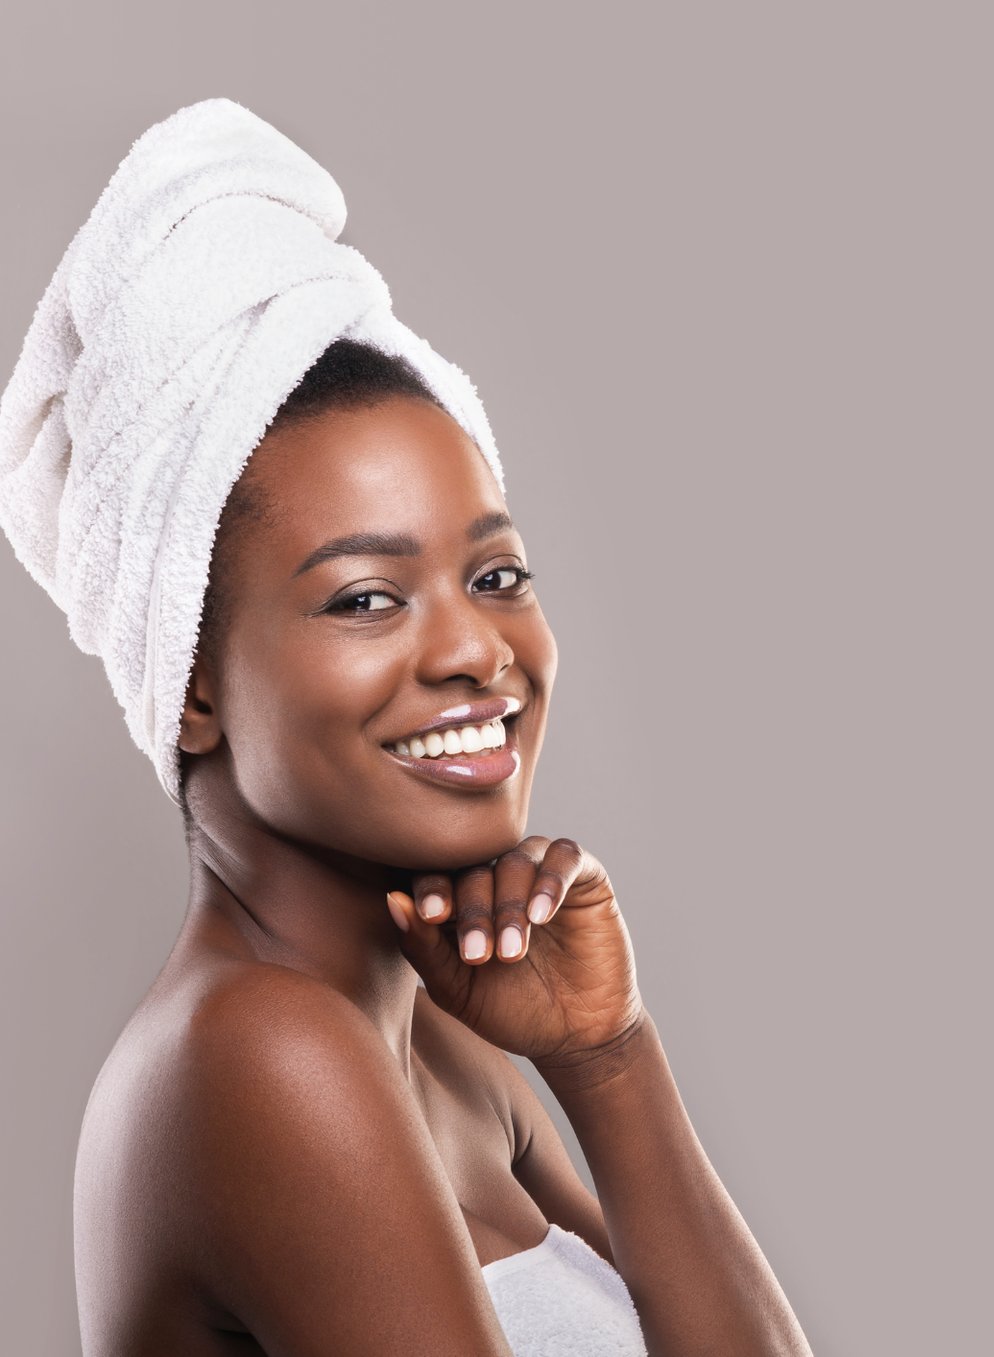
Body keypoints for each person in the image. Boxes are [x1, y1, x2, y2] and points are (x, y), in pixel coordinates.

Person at [1, 100, 812, 1356]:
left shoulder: (447, 1053)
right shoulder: (261, 1056)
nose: (472, 650)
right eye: (367, 598)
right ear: (193, 678)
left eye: (496, 576)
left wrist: (610, 1055)